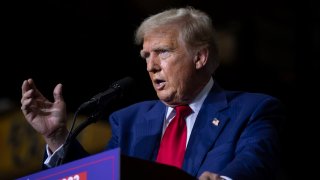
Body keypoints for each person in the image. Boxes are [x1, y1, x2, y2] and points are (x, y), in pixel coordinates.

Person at [21, 6, 284, 180]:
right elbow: (97, 177)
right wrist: (56, 136)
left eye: (163, 52)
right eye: (146, 56)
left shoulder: (252, 110)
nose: (151, 65)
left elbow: (255, 160)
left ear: (200, 57)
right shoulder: (128, 121)